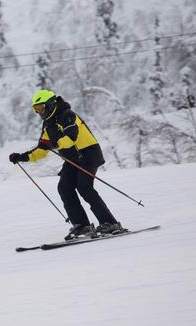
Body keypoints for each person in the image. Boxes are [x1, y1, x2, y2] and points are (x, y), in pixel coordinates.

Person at [9, 89, 122, 240]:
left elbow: (71, 137)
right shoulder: (48, 125)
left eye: (41, 108)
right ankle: (82, 226)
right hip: (72, 159)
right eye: (36, 109)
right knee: (64, 188)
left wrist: (56, 143)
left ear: (50, 104)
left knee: (84, 188)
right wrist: (21, 157)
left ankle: (110, 223)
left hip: (87, 155)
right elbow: (41, 150)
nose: (39, 112)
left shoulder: (67, 115)